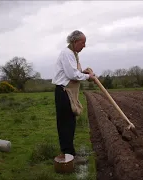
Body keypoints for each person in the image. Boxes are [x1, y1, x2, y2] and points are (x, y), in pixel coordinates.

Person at [52, 30, 96, 162]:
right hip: (64, 92)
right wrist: (88, 76)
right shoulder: (67, 53)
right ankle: (68, 155)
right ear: (75, 41)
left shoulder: (73, 54)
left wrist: (83, 73)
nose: (84, 46)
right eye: (83, 43)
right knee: (66, 124)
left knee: (69, 124)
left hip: (67, 92)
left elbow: (73, 72)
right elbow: (71, 74)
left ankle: (70, 154)